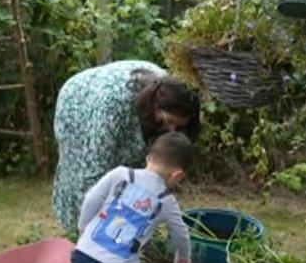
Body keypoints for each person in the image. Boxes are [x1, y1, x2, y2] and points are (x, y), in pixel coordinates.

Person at [70, 131, 195, 263]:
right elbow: (180, 233)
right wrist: (183, 257)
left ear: (149, 158)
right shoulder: (166, 201)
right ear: (177, 175)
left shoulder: (121, 174)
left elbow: (91, 199)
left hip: (84, 254)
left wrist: (83, 228)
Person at [52, 60, 201, 232]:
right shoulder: (111, 108)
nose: (171, 130)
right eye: (168, 122)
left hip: (117, 100)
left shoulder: (173, 94)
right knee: (90, 175)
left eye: (178, 126)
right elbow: (92, 174)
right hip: (79, 103)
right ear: (155, 106)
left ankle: (124, 226)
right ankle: (80, 233)